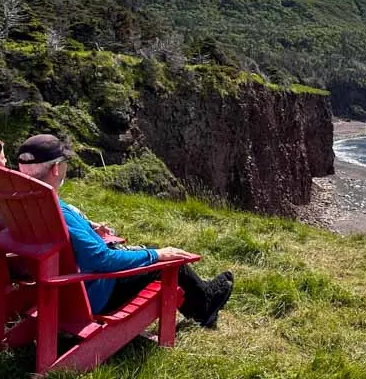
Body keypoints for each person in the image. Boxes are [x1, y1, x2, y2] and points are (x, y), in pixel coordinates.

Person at [14, 134, 233, 327]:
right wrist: (156, 255)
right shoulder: (58, 210)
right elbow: (100, 260)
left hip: (56, 292)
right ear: (55, 168)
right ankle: (205, 305)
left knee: (150, 253)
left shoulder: (22, 205)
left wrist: (89, 230)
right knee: (165, 261)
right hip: (92, 294)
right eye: (65, 162)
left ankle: (200, 300)